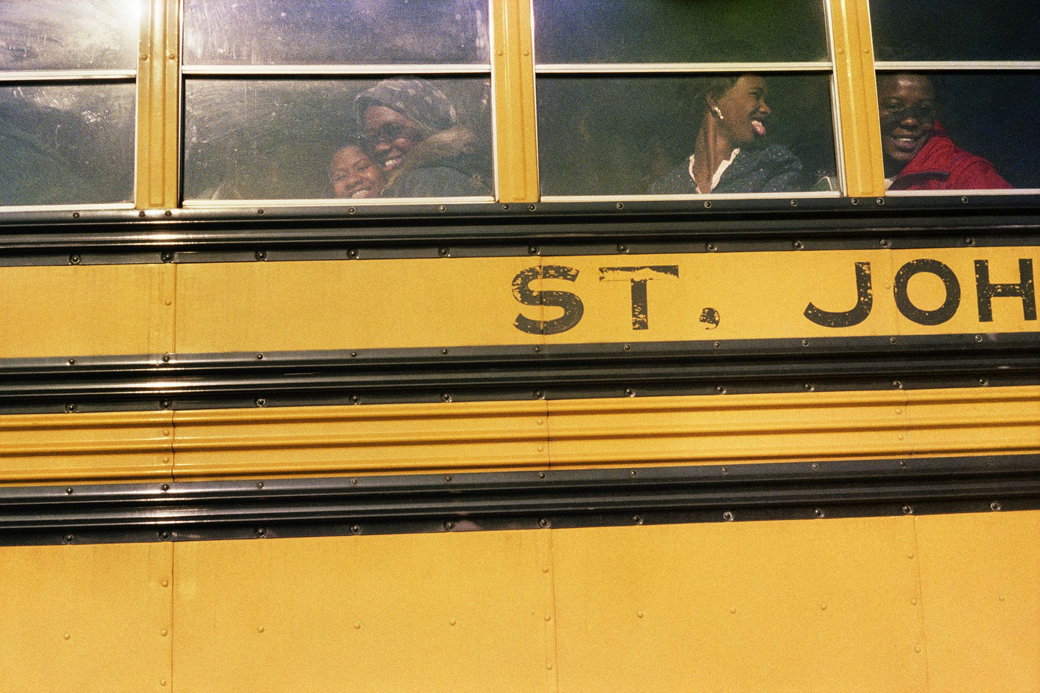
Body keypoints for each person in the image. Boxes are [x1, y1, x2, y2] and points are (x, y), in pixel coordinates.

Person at [650, 74, 804, 194]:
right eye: (755, 95)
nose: (766, 109)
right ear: (713, 99)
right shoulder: (665, 188)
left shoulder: (772, 164)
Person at [355, 78, 490, 198]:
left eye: (393, 130)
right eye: (371, 137)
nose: (380, 147)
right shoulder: (459, 171)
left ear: (427, 126)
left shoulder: (423, 182)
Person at [877, 73, 1011, 190]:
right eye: (894, 107)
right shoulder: (856, 172)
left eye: (924, 109)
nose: (910, 121)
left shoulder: (965, 174)